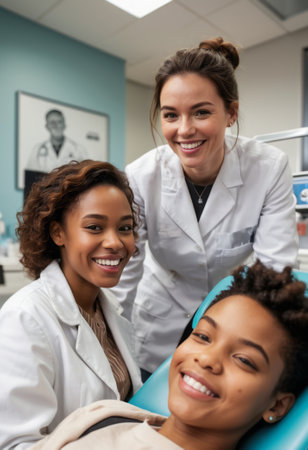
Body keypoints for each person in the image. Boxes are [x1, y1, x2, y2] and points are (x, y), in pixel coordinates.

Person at [111, 37, 299, 380]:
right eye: (171, 115)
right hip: (157, 326)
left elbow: (276, 271)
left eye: (201, 112)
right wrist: (106, 346)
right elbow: (123, 275)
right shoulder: (140, 177)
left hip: (230, 326)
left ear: (231, 113)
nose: (184, 130)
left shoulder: (268, 168)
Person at [32, 261, 308, 449]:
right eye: (202, 337)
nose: (207, 358)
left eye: (244, 360)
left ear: (277, 406)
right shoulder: (109, 413)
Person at [0, 160, 142, 449]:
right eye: (94, 227)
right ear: (58, 233)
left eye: (125, 228)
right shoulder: (25, 318)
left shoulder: (108, 308)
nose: (115, 242)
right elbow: (16, 444)